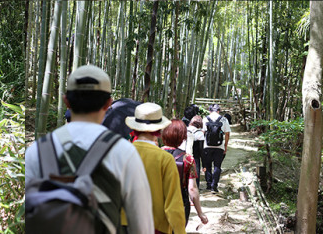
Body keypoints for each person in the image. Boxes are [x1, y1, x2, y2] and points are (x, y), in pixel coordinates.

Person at [25, 65, 154, 234]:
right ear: (108, 103)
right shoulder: (123, 152)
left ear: (66, 102)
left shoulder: (37, 152)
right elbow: (142, 226)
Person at [126, 102, 186, 234]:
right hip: (155, 227)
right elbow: (173, 204)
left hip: (123, 225)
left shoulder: (120, 153)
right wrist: (180, 230)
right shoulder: (164, 159)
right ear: (159, 130)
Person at [161, 119, 209, 227]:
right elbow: (192, 188)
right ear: (182, 137)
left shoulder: (155, 154)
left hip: (157, 202)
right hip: (179, 202)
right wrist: (200, 213)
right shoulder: (187, 159)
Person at [202, 104, 231, 193]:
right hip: (219, 146)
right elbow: (227, 134)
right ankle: (214, 186)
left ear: (210, 111)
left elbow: (202, 133)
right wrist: (225, 146)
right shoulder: (224, 119)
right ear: (218, 111)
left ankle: (208, 184)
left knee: (207, 165)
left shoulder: (205, 119)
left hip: (207, 146)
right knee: (217, 166)